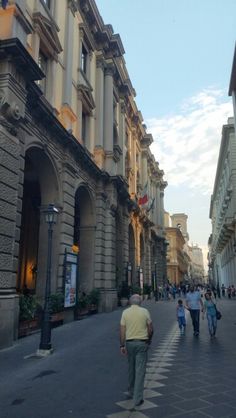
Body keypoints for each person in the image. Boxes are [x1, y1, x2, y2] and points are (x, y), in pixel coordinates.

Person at [120, 294, 153, 408]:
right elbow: (150, 328)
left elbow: (122, 331)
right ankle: (137, 398)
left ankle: (131, 390)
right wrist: (148, 340)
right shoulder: (145, 311)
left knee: (131, 368)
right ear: (140, 302)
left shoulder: (125, 313)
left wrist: (122, 345)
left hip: (129, 343)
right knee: (140, 370)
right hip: (141, 343)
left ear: (130, 302)